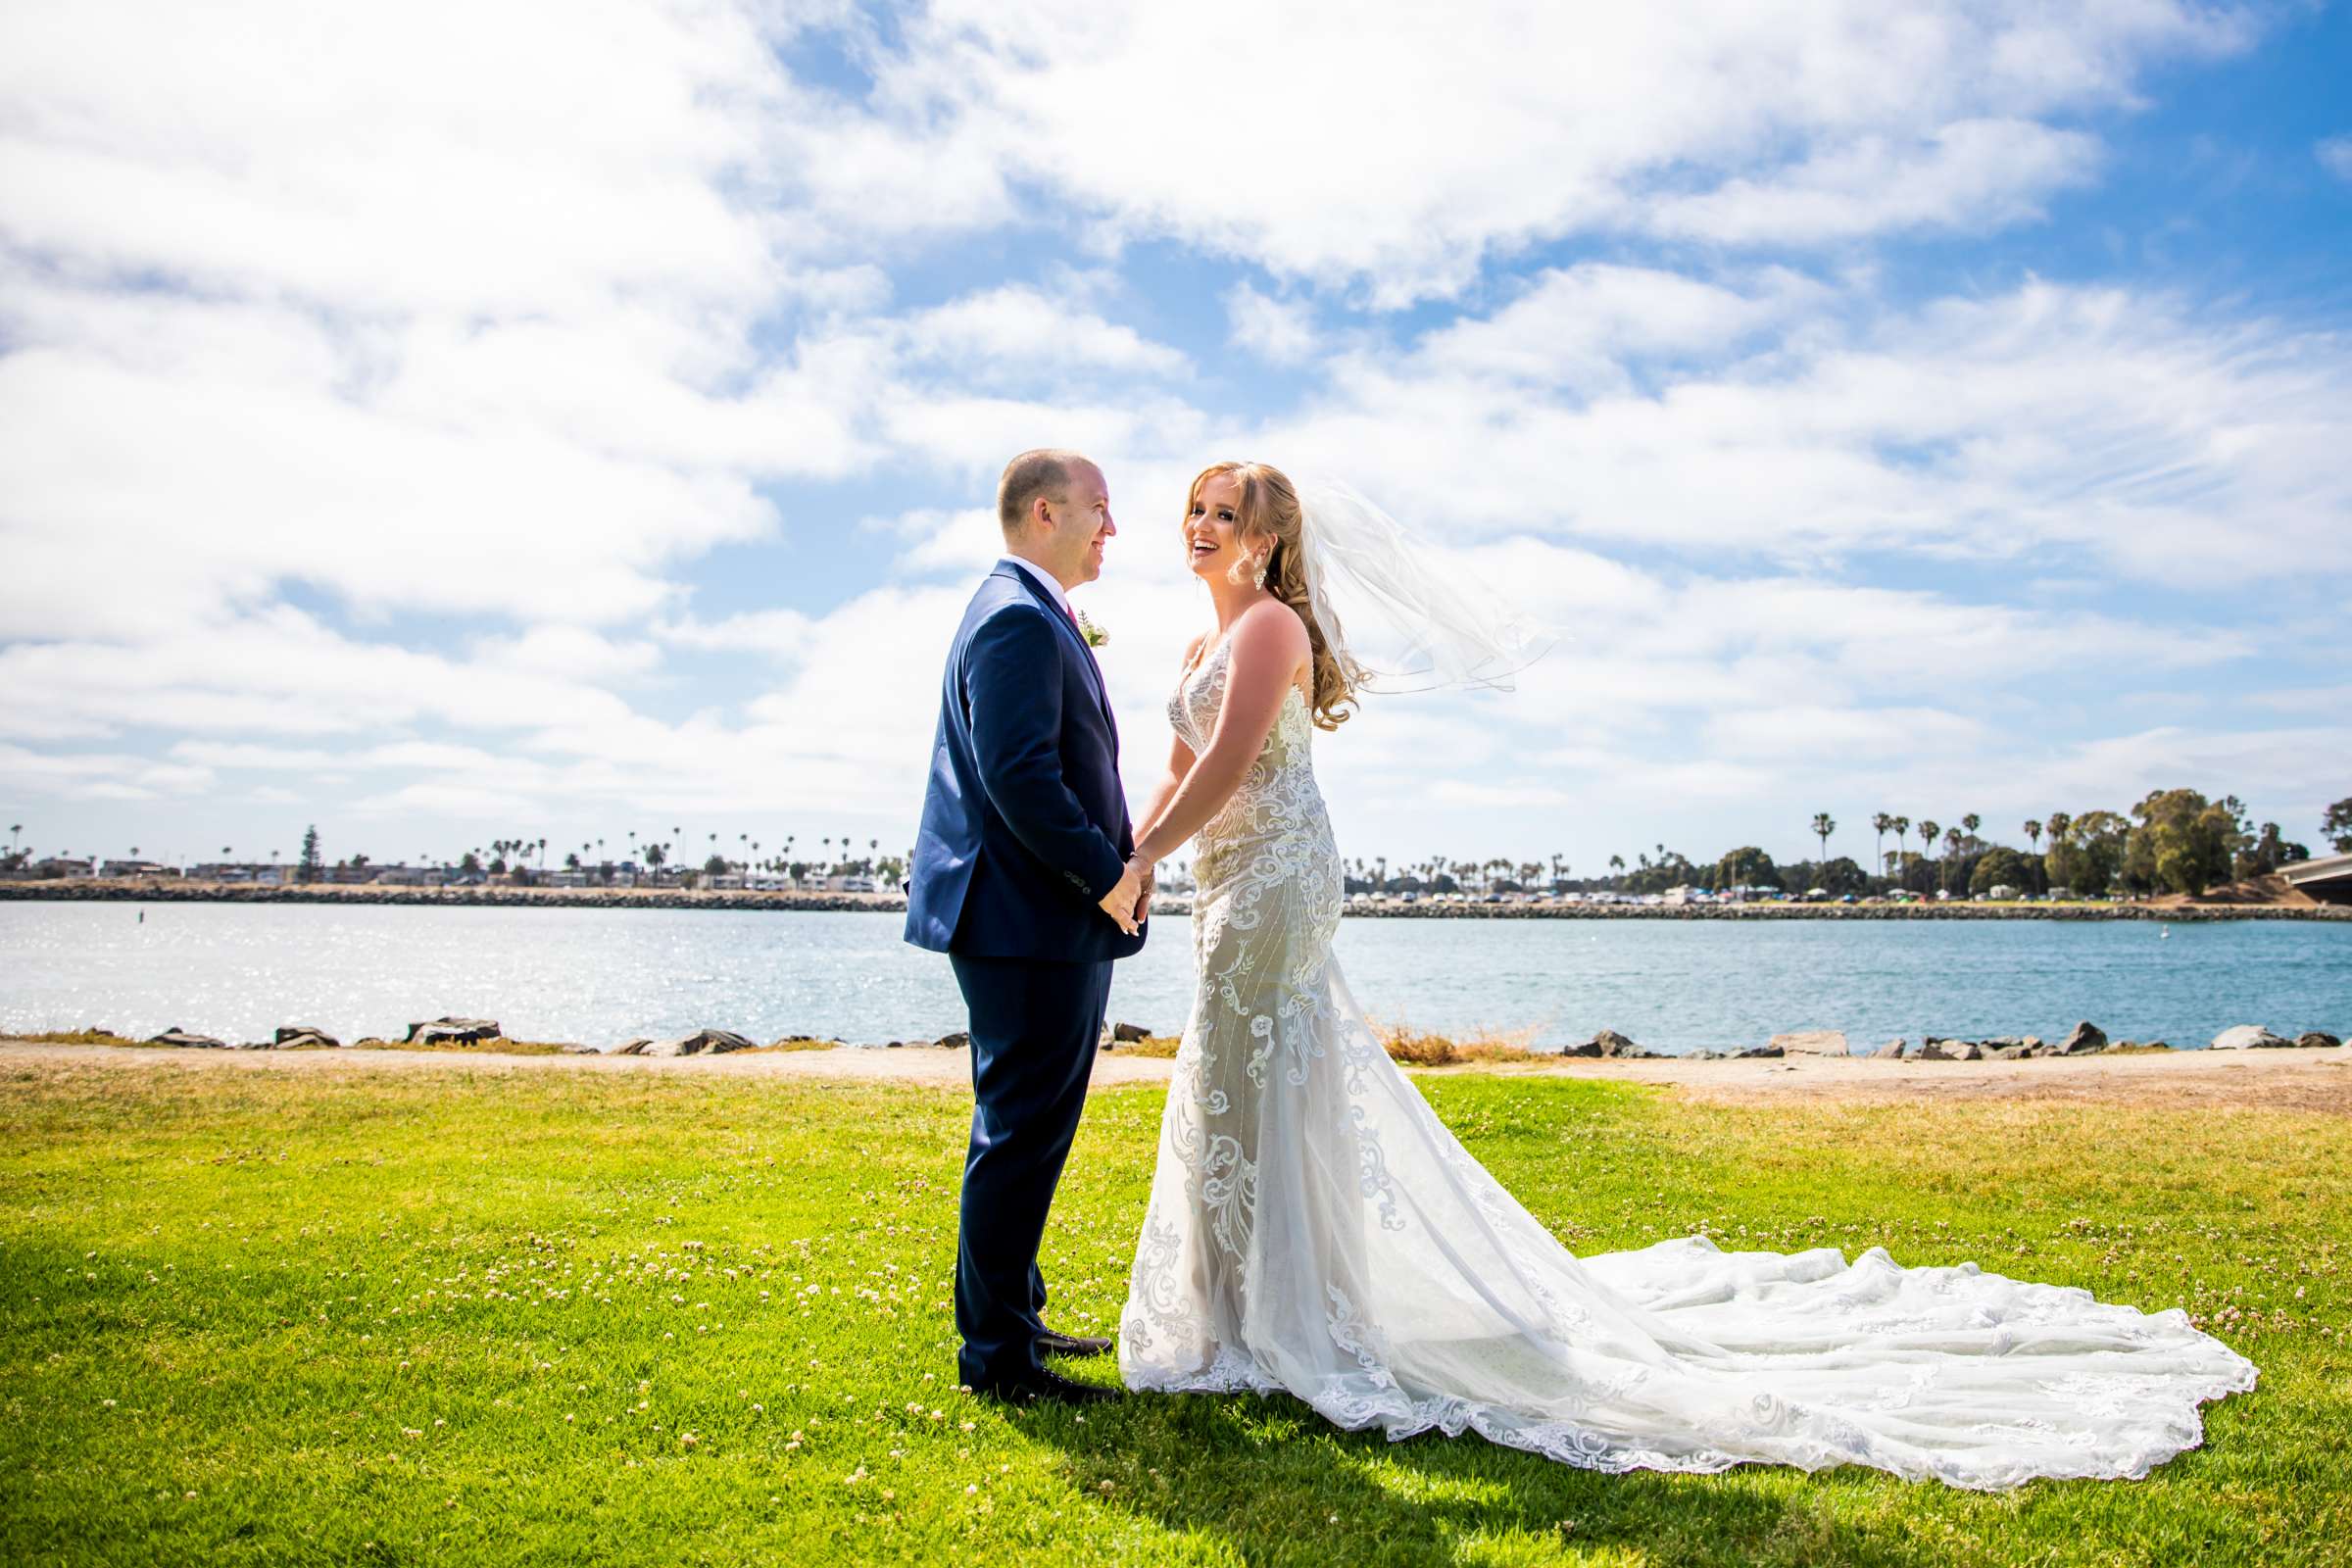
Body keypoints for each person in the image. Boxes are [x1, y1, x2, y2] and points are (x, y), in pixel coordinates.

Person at [1115, 460, 2256, 1487]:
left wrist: (1148, 859)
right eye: (1196, 513)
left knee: (1258, 1064)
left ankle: (1295, 1316)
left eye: (1227, 516)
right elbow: (1172, 769)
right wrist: (1128, 854)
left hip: (1275, 879)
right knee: (1231, 1070)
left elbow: (1224, 766)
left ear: (1267, 541)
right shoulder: (1196, 644)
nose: (1203, 528)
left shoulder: (1268, 631)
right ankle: (1244, 1310)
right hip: (1225, 879)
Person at [906, 448, 1152, 1405]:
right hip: (1024, 919)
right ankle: (998, 1361)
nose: (1112, 528)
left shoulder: (1027, 608)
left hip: (1029, 918)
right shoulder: (1013, 618)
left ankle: (1016, 1315)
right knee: (1018, 1134)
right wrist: (1108, 876)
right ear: (1046, 512)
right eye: (1100, 508)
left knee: (1030, 1130)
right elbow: (1020, 778)